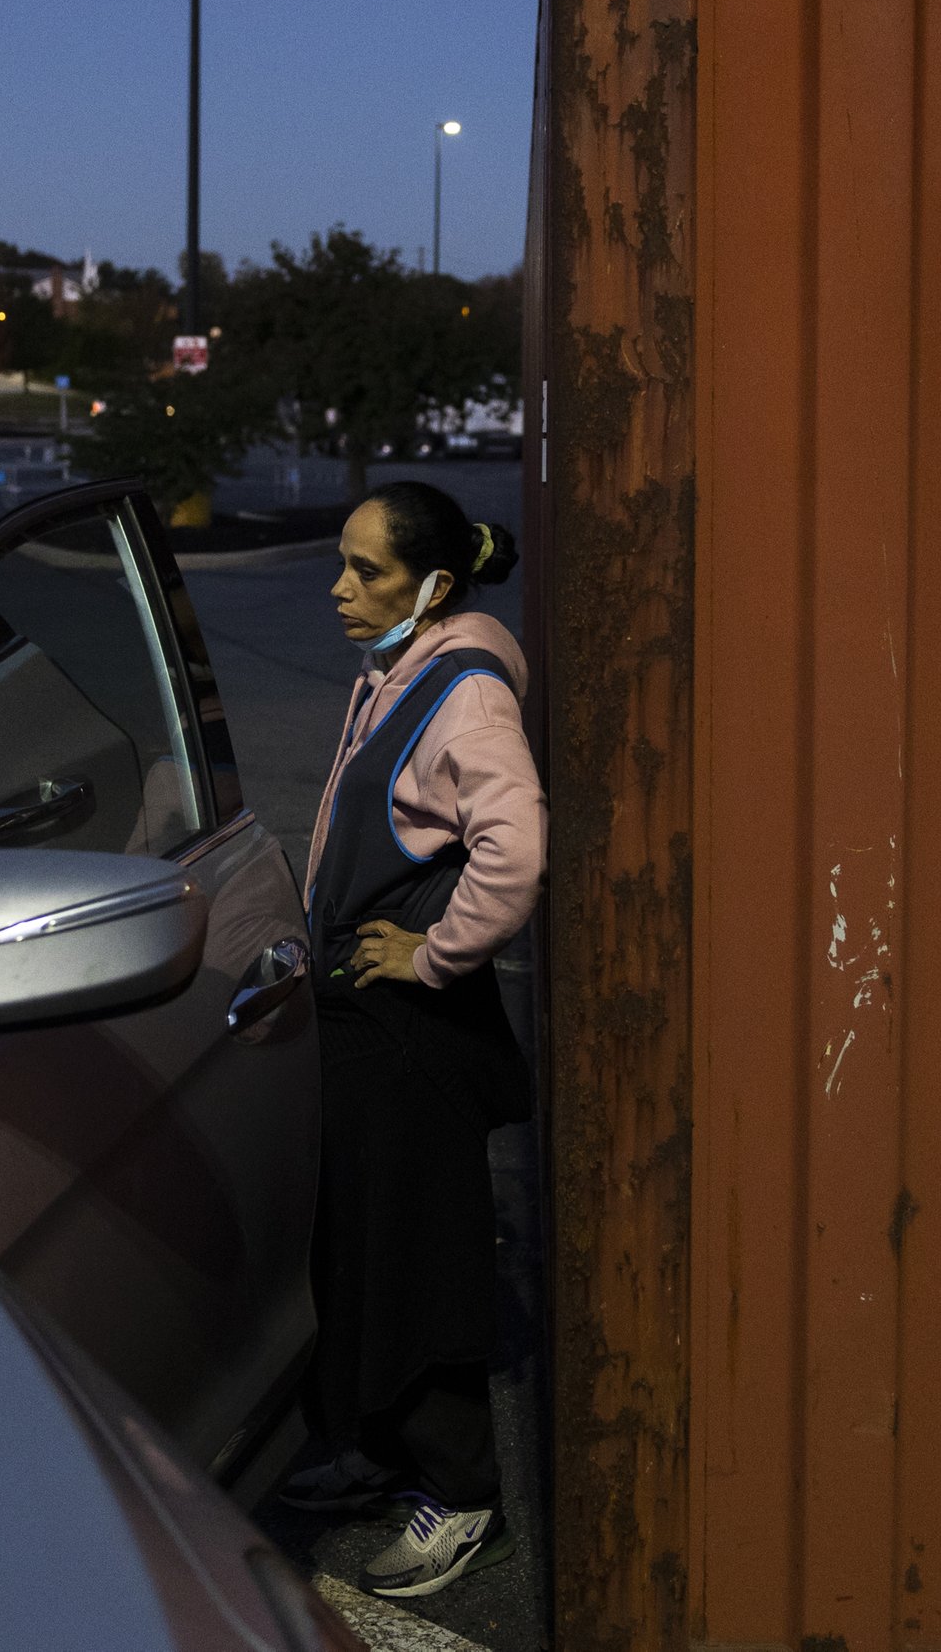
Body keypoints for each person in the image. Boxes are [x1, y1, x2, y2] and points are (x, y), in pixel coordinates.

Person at [279, 480, 545, 1600]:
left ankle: (460, 1493)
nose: (341, 588)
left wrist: (435, 953)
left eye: (367, 571)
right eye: (341, 563)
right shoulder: (399, 668)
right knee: (362, 1247)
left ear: (434, 587)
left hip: (410, 1030)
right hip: (359, 1016)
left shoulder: (465, 694)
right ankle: (376, 1451)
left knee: (423, 1260)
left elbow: (518, 850)